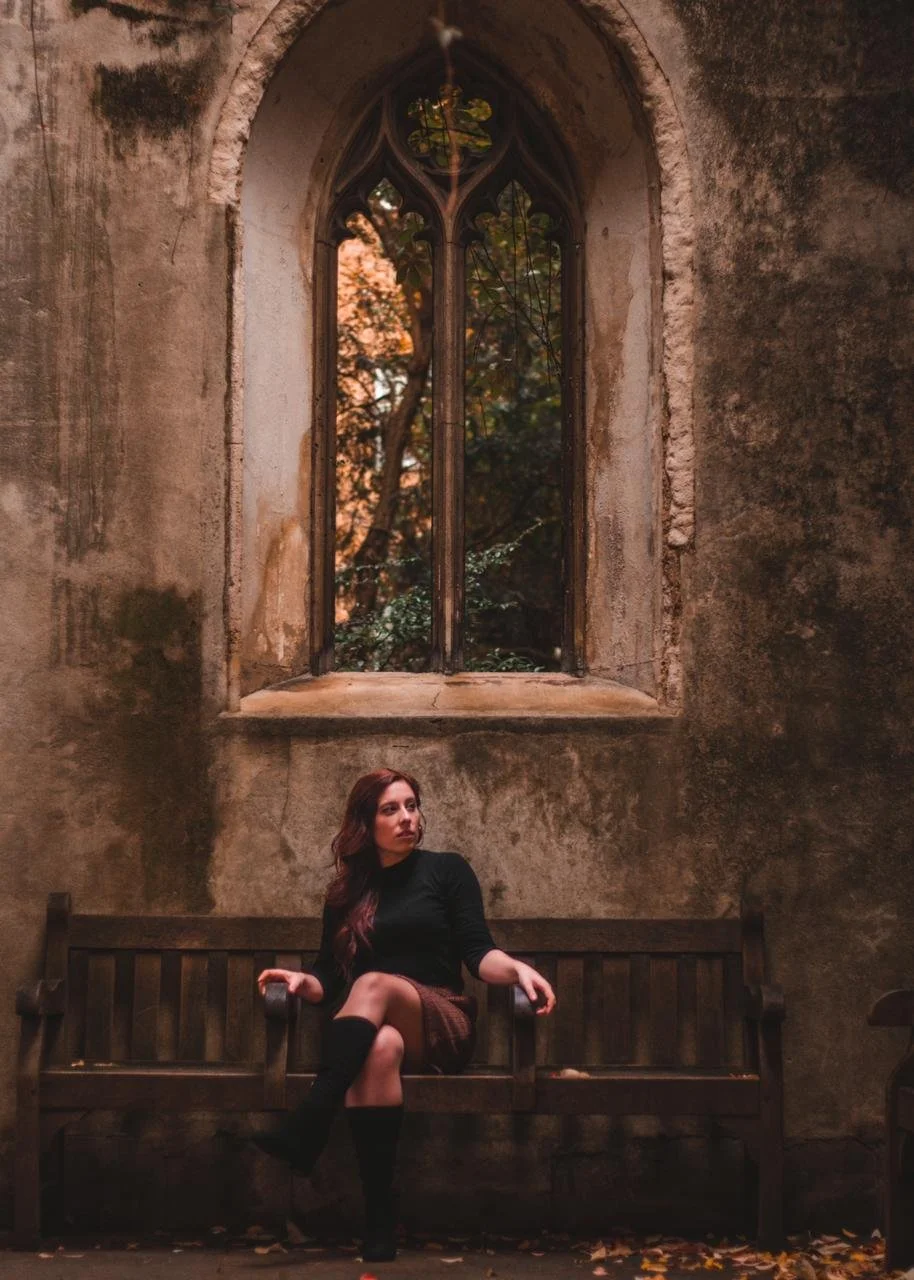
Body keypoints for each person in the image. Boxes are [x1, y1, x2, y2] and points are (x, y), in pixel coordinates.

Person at [253, 767, 556, 1262]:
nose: (406, 818)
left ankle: (311, 1118)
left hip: (442, 1019)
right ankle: (379, 1220)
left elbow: (478, 952)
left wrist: (517, 969)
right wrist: (302, 982)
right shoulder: (346, 893)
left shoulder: (447, 871)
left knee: (374, 983)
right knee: (379, 1048)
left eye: (411, 806)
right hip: (375, 1028)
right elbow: (329, 975)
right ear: (365, 823)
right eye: (390, 809)